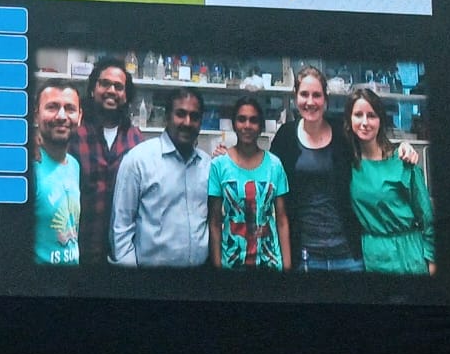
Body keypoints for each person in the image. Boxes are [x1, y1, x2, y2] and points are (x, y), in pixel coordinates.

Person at [269, 66, 418, 272]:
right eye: (304, 94)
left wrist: (401, 147)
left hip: (349, 254)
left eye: (316, 95)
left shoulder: (342, 133)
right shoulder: (285, 136)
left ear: (325, 99)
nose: (310, 102)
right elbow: (265, 173)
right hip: (305, 255)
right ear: (296, 97)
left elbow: (373, 147)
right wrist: (228, 154)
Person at [110, 88, 210, 267]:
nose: (187, 122)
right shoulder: (139, 160)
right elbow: (121, 228)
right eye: (180, 114)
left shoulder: (207, 165)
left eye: (194, 117)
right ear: (167, 117)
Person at [344, 87, 436, 275]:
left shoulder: (403, 161)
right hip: (373, 258)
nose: (365, 122)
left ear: (381, 120)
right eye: (358, 115)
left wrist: (433, 265)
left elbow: (428, 220)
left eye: (371, 115)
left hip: (409, 256)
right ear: (349, 120)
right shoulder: (345, 165)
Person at [68, 57, 142, 264]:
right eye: (105, 83)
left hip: (122, 254)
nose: (111, 90)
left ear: (126, 96)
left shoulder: (136, 139)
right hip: (78, 250)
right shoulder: (74, 134)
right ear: (93, 89)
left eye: (118, 87)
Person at [208, 95, 291, 270]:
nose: (247, 125)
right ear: (234, 124)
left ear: (261, 126)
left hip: (269, 263)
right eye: (241, 119)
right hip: (232, 263)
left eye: (253, 120)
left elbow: (282, 219)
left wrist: (287, 267)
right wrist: (217, 267)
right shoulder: (219, 165)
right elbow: (214, 222)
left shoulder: (275, 165)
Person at [33, 80, 83, 266]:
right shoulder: (29, 169)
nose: (61, 116)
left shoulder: (74, 165)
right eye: (52, 107)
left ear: (79, 116)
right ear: (36, 115)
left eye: (70, 108)